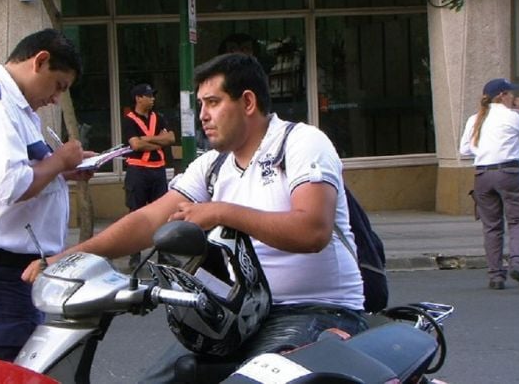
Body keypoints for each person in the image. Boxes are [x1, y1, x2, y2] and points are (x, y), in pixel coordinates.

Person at [23, 53, 366, 382]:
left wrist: (219, 211)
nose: (203, 115)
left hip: (315, 310)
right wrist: (67, 258)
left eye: (213, 102)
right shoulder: (213, 165)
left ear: (248, 102)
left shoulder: (300, 143)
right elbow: (149, 221)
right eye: (201, 104)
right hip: (236, 316)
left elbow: (313, 231)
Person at [0, 28, 94, 363]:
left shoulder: (16, 107)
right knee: (8, 369)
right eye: (59, 85)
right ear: (40, 61)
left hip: (14, 273)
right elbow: (11, 185)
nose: (55, 98)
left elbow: (19, 174)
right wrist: (60, 160)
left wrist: (63, 171)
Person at [459, 78, 519, 291]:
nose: (513, 97)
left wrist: (486, 149)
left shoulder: (475, 119)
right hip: (510, 173)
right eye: (510, 93)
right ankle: (518, 265)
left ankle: (496, 276)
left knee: (491, 227)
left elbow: (465, 149)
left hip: (482, 175)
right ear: (502, 95)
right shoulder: (513, 116)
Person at [123, 83, 176, 268]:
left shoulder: (158, 117)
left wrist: (146, 139)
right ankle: (134, 256)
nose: (153, 99)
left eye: (153, 95)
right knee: (136, 214)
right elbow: (135, 145)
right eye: (148, 96)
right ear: (138, 98)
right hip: (138, 171)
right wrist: (158, 141)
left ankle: (164, 254)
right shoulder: (129, 120)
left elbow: (171, 138)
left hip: (158, 170)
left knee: (163, 214)